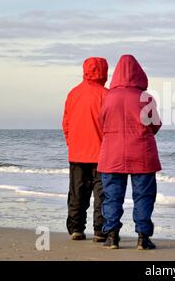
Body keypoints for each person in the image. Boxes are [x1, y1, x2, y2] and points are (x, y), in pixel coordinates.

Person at [97, 54, 162, 250]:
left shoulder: (108, 97)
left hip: (113, 153)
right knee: (143, 195)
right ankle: (143, 237)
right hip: (142, 152)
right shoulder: (146, 98)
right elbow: (156, 125)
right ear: (139, 73)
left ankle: (112, 236)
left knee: (112, 196)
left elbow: (102, 123)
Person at [62, 57, 109, 242]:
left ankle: (76, 229)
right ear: (104, 72)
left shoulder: (73, 94)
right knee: (102, 194)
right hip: (102, 154)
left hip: (77, 152)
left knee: (77, 192)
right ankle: (100, 230)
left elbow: (66, 123)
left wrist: (71, 143)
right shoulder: (107, 95)